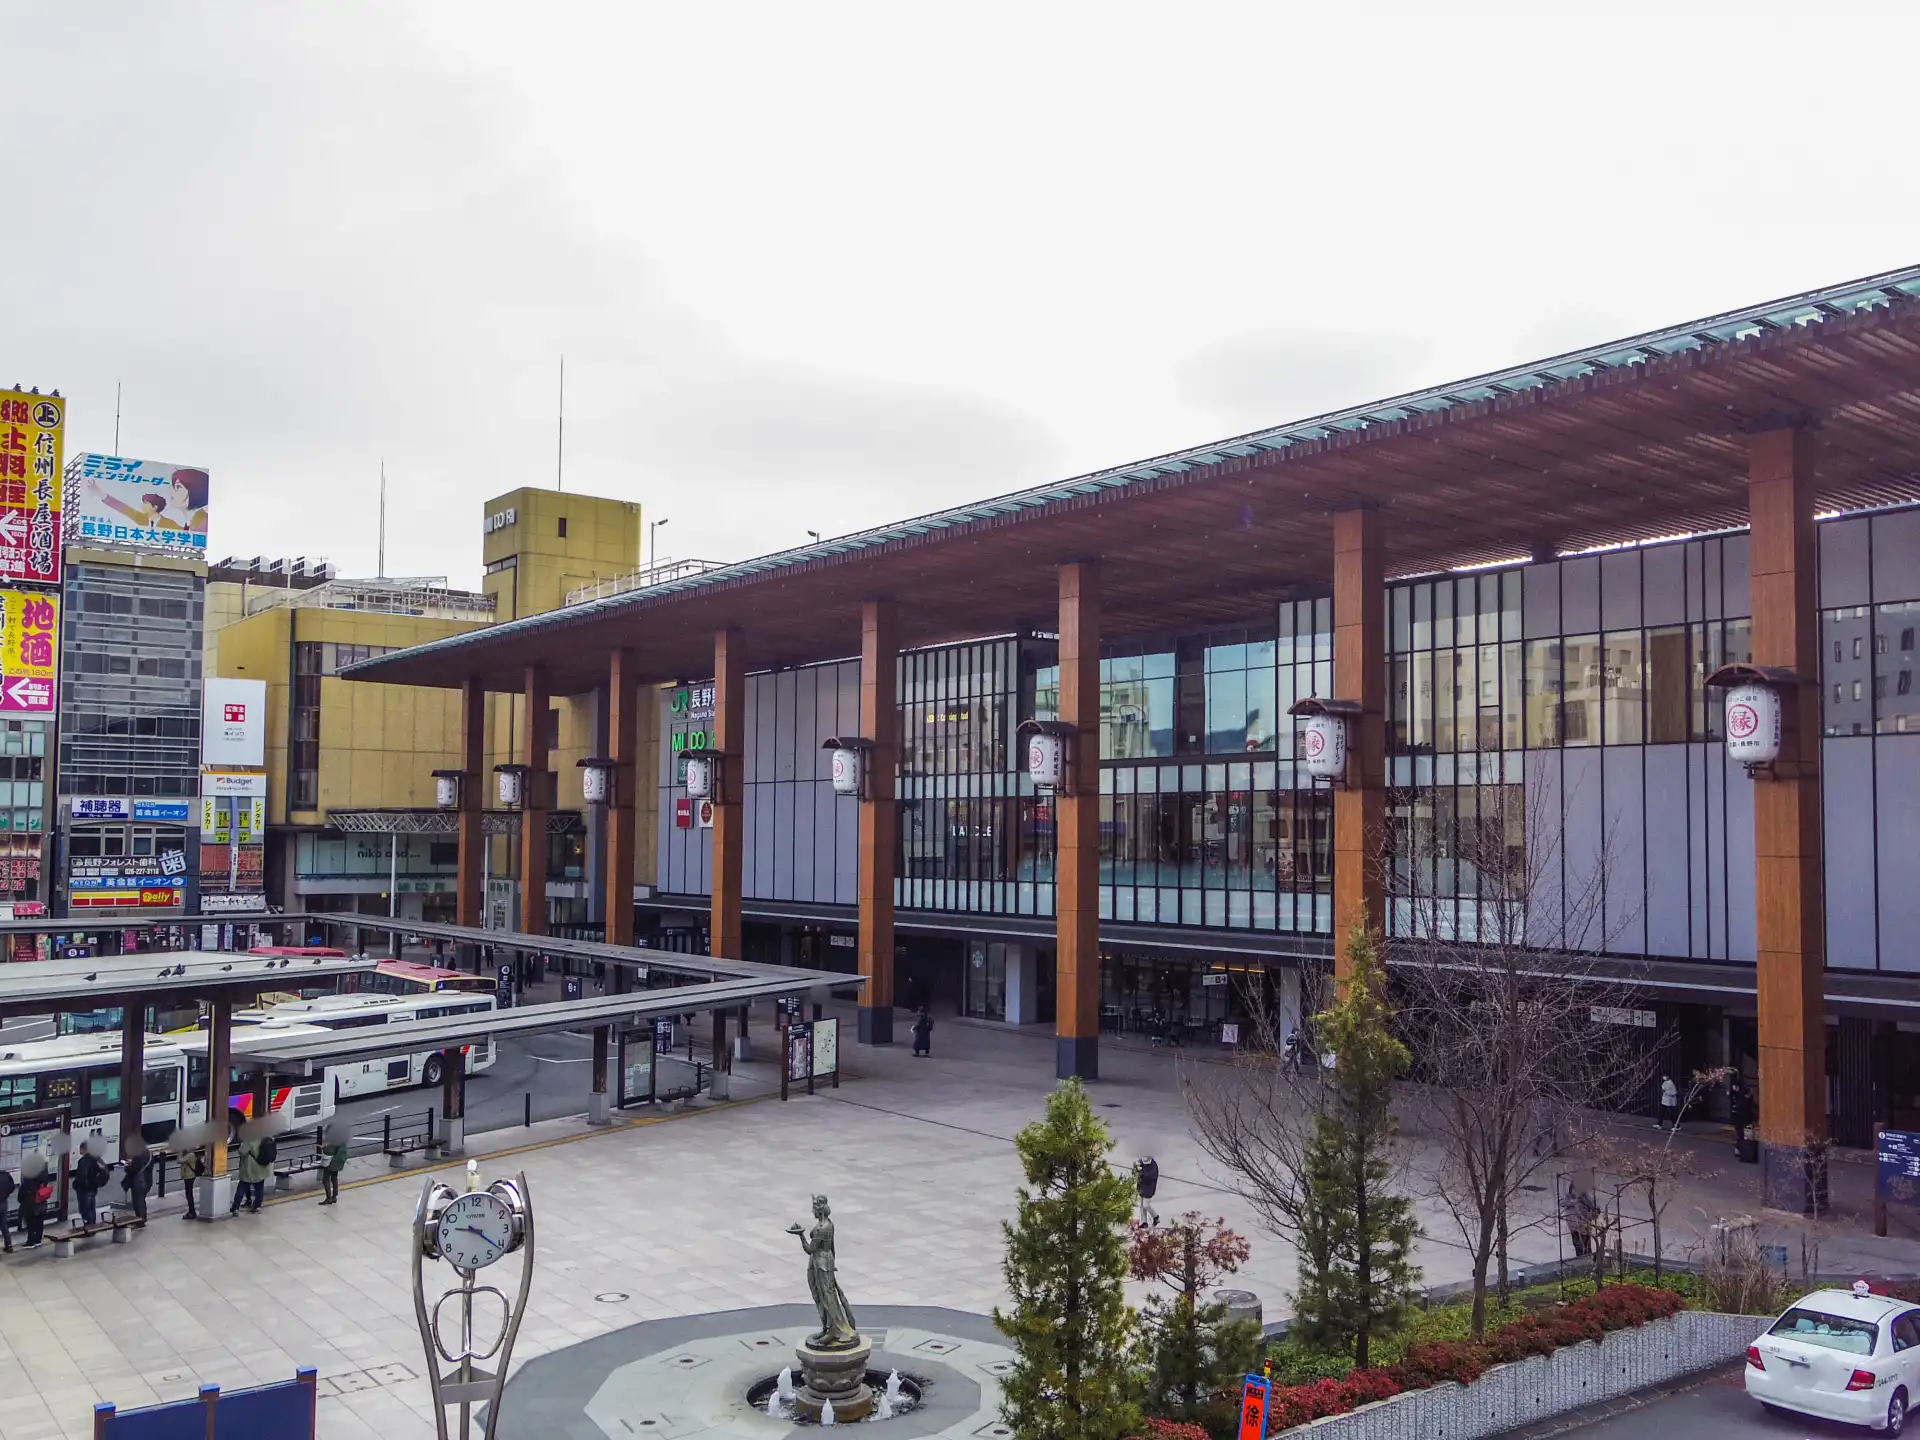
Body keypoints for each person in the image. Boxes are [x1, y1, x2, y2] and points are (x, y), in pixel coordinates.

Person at [73, 1142, 109, 1227]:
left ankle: (88, 1226)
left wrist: (76, 1185)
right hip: (93, 1187)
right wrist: (96, 1182)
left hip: (84, 1188)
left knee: (85, 1209)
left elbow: (81, 1176)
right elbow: (105, 1171)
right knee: (92, 1208)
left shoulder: (84, 1161)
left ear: (83, 1149)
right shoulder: (97, 1158)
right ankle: (92, 1225)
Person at [230, 1135, 267, 1216]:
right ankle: (257, 1207)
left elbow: (241, 1151)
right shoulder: (266, 1136)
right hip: (262, 1167)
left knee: (242, 1187)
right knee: (259, 1188)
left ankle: (235, 1208)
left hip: (249, 1168)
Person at [18, 1159, 50, 1248]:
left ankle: (31, 1241)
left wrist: (21, 1198)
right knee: (40, 1221)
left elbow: (23, 1190)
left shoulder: (30, 1177)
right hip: (41, 1200)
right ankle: (38, 1239)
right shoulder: (44, 1175)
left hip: (31, 1201)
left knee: (31, 1221)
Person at [121, 1142, 154, 1226]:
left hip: (138, 1182)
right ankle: (142, 1218)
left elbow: (133, 1169)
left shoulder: (139, 1156)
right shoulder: (149, 1154)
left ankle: (140, 1220)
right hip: (147, 1180)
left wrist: (127, 1166)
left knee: (138, 1202)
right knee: (142, 1200)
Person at [1561, 1181, 1592, 1257]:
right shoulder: (1568, 1199)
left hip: (1584, 1227)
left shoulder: (1585, 1199)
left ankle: (1589, 1262)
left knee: (1587, 1247)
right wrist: (1575, 1201)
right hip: (1574, 1228)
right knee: (1578, 1247)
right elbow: (1562, 1203)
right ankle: (1581, 1262)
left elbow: (1593, 1208)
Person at [319, 1130, 348, 1206]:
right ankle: (334, 1196)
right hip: (338, 1161)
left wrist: (324, 1147)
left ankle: (328, 1198)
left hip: (331, 1161)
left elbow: (329, 1151)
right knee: (334, 1178)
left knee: (325, 1179)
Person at [177, 1145, 205, 1221]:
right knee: (189, 1194)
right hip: (189, 1176)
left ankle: (192, 1212)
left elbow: (179, 1160)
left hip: (189, 1176)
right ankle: (191, 1211)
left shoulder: (190, 1155)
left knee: (189, 1195)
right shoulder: (190, 1154)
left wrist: (180, 1152)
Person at [0, 1163, 14, 1253]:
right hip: (3, 1203)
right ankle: (8, 1246)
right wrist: (5, 1195)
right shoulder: (6, 1175)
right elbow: (12, 1187)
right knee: (4, 1225)